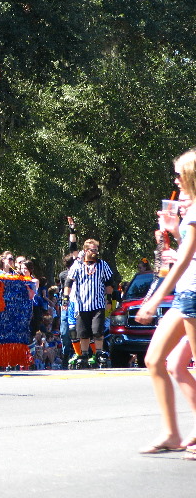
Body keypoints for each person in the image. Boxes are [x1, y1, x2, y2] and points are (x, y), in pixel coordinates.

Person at [136, 149, 196, 455]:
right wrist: (173, 230)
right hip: (187, 295)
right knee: (157, 360)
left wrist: (154, 299)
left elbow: (185, 261)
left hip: (194, 295)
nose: (175, 180)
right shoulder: (191, 212)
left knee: (179, 364)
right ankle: (171, 432)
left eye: (178, 174)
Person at [63, 239, 114, 368]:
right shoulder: (78, 265)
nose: (95, 252)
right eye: (93, 250)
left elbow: (109, 282)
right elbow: (69, 281)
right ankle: (84, 354)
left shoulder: (102, 265)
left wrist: (109, 299)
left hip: (97, 304)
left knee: (97, 331)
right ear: (86, 250)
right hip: (82, 304)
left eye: (97, 250)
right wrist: (65, 298)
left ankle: (98, 353)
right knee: (83, 332)